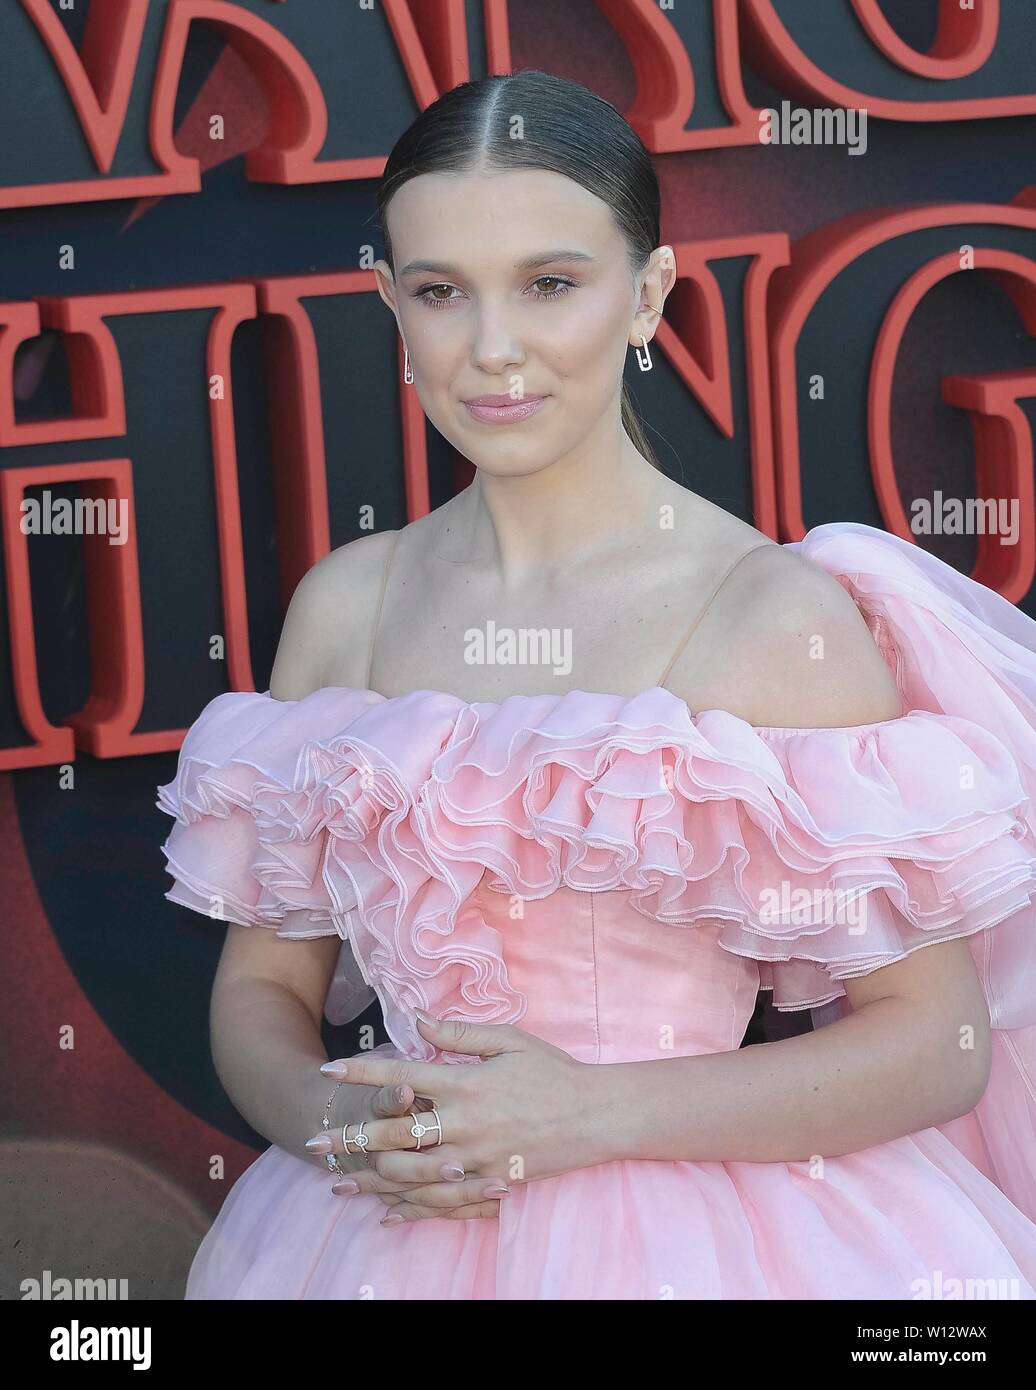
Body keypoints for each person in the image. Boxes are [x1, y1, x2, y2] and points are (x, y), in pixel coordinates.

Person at [157, 70, 1036, 1300]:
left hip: (716, 1245)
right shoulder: (341, 609)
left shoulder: (769, 614)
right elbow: (260, 985)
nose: (494, 349)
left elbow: (934, 1044)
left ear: (649, 295)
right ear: (389, 305)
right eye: (440, 293)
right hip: (368, 1234)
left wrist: (586, 1114)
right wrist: (338, 1124)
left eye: (550, 284)